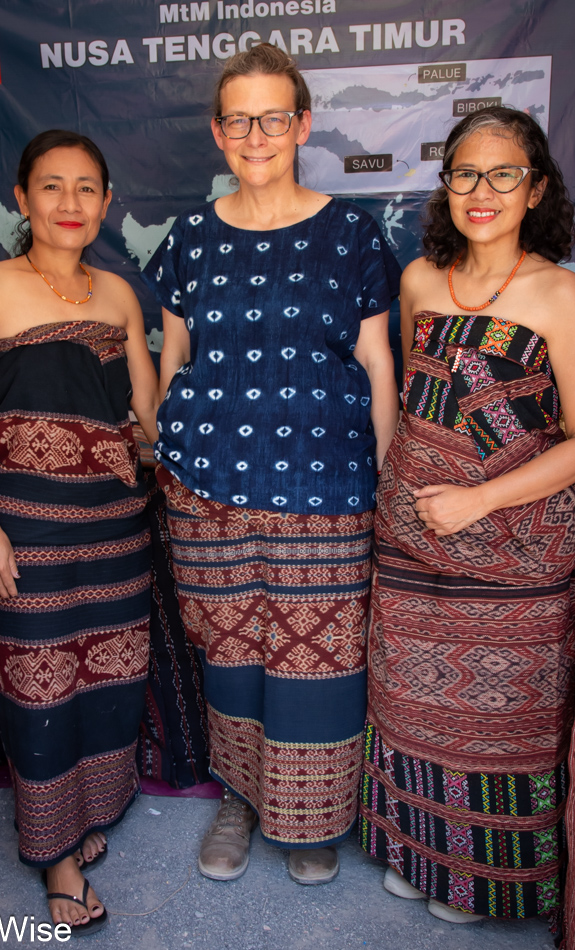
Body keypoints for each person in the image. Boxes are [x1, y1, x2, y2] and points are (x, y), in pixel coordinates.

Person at [143, 43, 400, 885]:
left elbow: (376, 370)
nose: (258, 135)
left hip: (324, 486)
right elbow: (173, 356)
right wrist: (165, 448)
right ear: (220, 133)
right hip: (206, 487)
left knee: (318, 657)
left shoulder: (350, 234)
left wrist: (388, 477)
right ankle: (242, 799)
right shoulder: (190, 237)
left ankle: (313, 820)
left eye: (274, 118)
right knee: (231, 650)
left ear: (303, 124)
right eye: (240, 120)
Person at [359, 106, 575, 924]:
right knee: (408, 706)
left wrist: (479, 498)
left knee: (495, 723)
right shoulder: (419, 282)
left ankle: (482, 882)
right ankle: (418, 854)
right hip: (407, 543)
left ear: (534, 188)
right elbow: (413, 397)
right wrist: (404, 487)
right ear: (445, 186)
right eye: (465, 173)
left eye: (503, 174)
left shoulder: (558, 293)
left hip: (512, 555)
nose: (482, 190)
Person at [0, 130, 159, 935]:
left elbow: (145, 412)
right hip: (27, 528)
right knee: (38, 684)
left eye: (85, 189)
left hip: (113, 527)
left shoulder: (116, 296)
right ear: (22, 198)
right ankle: (57, 857)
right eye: (51, 187)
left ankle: (92, 808)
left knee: (108, 677)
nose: (69, 204)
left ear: (107, 204)